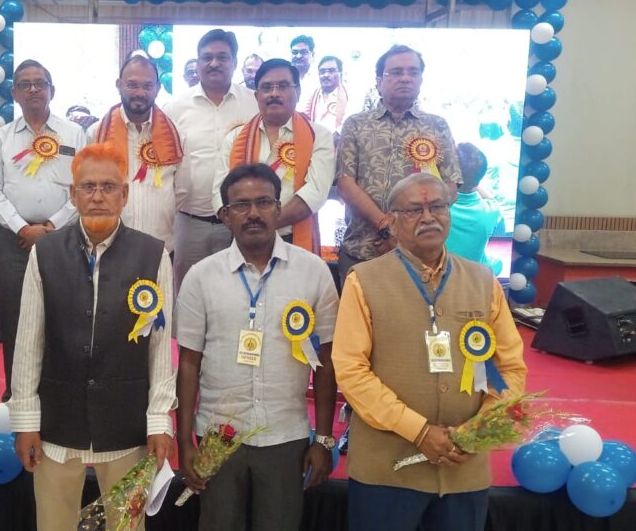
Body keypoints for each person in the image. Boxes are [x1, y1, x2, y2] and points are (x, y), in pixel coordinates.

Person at [332, 173, 527, 531]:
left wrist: (479, 429)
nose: (428, 217)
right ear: (392, 221)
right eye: (414, 210)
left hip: (463, 467)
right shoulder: (364, 281)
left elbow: (510, 367)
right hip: (387, 470)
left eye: (437, 207)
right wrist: (419, 431)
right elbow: (351, 370)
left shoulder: (483, 281)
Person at [8, 143, 175, 531]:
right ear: (73, 194)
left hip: (126, 422)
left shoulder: (153, 255)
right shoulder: (45, 252)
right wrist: (26, 419)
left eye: (108, 187)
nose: (98, 196)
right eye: (88, 187)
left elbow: (159, 347)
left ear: (124, 194)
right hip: (57, 421)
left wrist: (158, 420)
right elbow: (28, 340)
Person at [177, 164, 339, 531]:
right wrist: (184, 441)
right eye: (241, 205)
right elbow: (188, 363)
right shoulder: (201, 277)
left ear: (279, 209)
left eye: (264, 202)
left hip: (286, 435)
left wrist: (324, 440)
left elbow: (327, 362)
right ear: (225, 215)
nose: (253, 213)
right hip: (218, 435)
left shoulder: (313, 272)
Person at [0, 59, 87, 399]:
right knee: (15, 317)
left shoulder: (74, 134)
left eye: (39, 83)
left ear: (52, 90)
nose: (33, 89)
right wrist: (22, 228)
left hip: (64, 239)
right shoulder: (1, 138)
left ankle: (58, 393)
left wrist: (53, 225)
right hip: (14, 241)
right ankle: (17, 393)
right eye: (24, 84)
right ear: (14, 93)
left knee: (62, 316)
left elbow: (83, 186)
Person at [336, 45, 462, 284]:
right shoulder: (356, 124)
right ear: (378, 81)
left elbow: (451, 187)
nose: (405, 78)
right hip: (363, 250)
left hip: (420, 254)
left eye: (413, 72)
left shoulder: (437, 126)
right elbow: (346, 184)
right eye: (396, 72)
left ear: (421, 80)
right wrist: (388, 228)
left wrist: (405, 236)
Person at [164, 29, 258, 290]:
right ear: (197, 62)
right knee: (187, 290)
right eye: (207, 57)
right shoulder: (175, 108)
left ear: (234, 62)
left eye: (222, 57)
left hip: (241, 221)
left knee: (239, 290)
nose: (214, 63)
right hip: (189, 222)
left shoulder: (253, 104)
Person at [215, 59, 336, 254]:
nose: (274, 93)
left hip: (294, 240)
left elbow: (315, 192)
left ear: (298, 92)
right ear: (257, 96)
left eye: (283, 86)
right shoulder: (235, 138)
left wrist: (260, 225)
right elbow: (218, 193)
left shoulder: (319, 136)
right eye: (266, 87)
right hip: (244, 241)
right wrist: (243, 226)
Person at [89, 55, 184, 251]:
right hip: (109, 245)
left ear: (158, 88)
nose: (140, 93)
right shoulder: (96, 133)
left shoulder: (176, 135)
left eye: (147, 86)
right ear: (119, 85)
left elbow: (183, 191)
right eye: (132, 85)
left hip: (160, 246)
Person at [446, 143, 504, 268]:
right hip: (477, 273)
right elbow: (490, 198)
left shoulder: (438, 209)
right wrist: (472, 180)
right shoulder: (492, 210)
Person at [305, 55, 349, 134]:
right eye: (322, 72)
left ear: (340, 73)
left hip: (338, 139)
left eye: (331, 71)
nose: (326, 75)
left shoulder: (349, 96)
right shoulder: (312, 96)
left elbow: (348, 124)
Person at [289, 34, 317, 113]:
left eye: (303, 52)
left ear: (312, 54)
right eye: (295, 52)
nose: (298, 56)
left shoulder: (318, 78)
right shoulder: (286, 76)